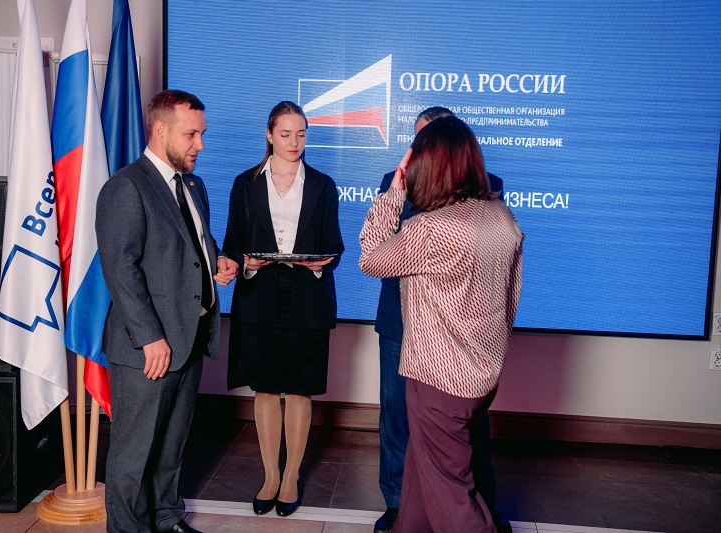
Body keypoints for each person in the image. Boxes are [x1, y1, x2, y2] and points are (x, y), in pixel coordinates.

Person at [360, 115, 523, 532]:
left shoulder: (430, 229)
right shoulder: (501, 218)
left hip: (438, 381)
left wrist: (395, 192)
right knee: (421, 480)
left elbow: (371, 258)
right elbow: (510, 300)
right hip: (481, 375)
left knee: (453, 498)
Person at [96, 90, 238, 533]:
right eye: (191, 134)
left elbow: (194, 244)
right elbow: (120, 269)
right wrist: (149, 337)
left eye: (202, 134)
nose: (201, 145)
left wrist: (217, 261)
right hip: (149, 348)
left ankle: (167, 519)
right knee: (134, 453)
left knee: (172, 446)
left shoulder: (193, 185)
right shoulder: (125, 187)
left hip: (189, 338)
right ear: (160, 131)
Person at [223, 101, 344, 518]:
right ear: (269, 135)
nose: (295, 142)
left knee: (298, 389)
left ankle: (291, 478)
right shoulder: (245, 184)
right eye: (286, 134)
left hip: (308, 297)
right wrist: (245, 263)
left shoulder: (324, 185)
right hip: (258, 296)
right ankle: (270, 477)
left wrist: (320, 262)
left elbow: (335, 246)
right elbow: (232, 241)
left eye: (302, 134)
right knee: (264, 388)